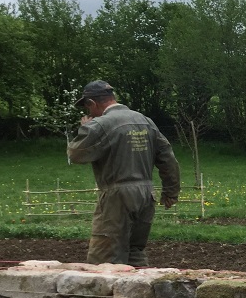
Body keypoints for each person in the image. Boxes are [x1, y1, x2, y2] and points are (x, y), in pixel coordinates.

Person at [67, 80, 181, 267]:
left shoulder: (100, 124)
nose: (88, 113)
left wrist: (85, 128)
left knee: (104, 258)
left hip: (117, 198)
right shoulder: (145, 121)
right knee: (135, 252)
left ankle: (106, 297)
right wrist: (171, 192)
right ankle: (140, 294)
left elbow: (76, 155)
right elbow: (168, 159)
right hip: (146, 196)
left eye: (87, 108)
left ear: (92, 103)